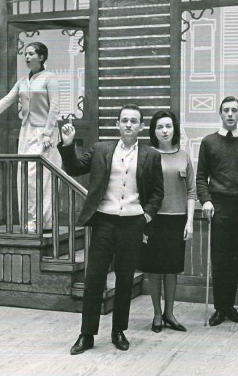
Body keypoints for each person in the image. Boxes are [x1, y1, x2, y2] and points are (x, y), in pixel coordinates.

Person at [58, 104, 163, 355]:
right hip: (104, 221)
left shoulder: (151, 155)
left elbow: (158, 192)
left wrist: (146, 216)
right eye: (124, 120)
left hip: (132, 223)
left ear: (140, 127)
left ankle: (118, 331)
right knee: (94, 279)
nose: (128, 124)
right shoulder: (101, 149)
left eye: (133, 121)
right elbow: (73, 169)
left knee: (125, 278)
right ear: (117, 125)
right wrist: (68, 143)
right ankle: (87, 334)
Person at [0, 41, 61, 232]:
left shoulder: (50, 78)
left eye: (31, 54)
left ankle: (43, 221)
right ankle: (30, 220)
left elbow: (54, 107)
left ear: (41, 57)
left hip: (44, 134)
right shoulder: (23, 81)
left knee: (40, 177)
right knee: (25, 176)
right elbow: (6, 100)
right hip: (27, 132)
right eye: (26, 54)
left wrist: (47, 133)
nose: (27, 57)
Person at [196, 96, 238, 326]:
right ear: (220, 114)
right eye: (226, 110)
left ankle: (230, 306)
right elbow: (201, 176)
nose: (230, 114)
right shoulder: (209, 142)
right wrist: (206, 200)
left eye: (235, 110)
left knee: (234, 260)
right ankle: (219, 308)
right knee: (219, 260)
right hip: (218, 206)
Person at [137, 111, 196, 333]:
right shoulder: (147, 155)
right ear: (153, 131)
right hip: (153, 219)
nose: (164, 130)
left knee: (171, 268)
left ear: (174, 129)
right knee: (154, 269)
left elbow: (191, 191)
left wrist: (189, 222)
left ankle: (170, 313)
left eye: (168, 126)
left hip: (177, 219)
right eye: (160, 126)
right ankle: (156, 314)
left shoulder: (184, 156)